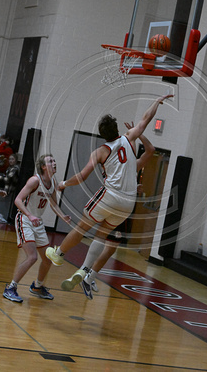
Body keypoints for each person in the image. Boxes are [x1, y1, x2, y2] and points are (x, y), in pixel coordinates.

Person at [45, 94, 173, 293]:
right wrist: (156, 102)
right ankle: (86, 270)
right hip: (128, 203)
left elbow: (82, 176)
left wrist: (63, 183)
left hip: (110, 196)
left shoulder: (100, 151)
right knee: (102, 235)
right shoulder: (128, 138)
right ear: (118, 130)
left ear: (102, 134)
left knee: (81, 228)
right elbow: (146, 119)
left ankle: (58, 254)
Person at [62, 122, 155, 299]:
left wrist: (139, 133)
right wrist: (139, 133)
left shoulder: (129, 163)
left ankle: (89, 276)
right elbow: (149, 150)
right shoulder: (127, 163)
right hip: (119, 205)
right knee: (105, 239)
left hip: (118, 204)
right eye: (130, 139)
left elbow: (149, 150)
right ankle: (86, 272)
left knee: (111, 247)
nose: (130, 142)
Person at [3, 154, 71, 303]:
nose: (54, 162)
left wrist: (62, 216)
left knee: (47, 259)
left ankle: (37, 287)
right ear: (43, 166)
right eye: (50, 161)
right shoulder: (35, 180)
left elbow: (53, 204)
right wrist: (29, 215)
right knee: (32, 257)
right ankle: (11, 287)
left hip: (37, 222)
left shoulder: (53, 182)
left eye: (54, 160)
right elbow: (17, 200)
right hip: (25, 219)